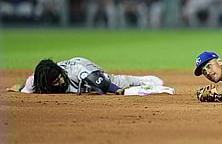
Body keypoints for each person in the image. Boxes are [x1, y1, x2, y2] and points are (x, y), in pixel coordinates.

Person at [7, 57, 165, 95]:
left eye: (60, 77)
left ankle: (143, 80)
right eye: (55, 81)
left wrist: (118, 90)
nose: (60, 81)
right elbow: (24, 90)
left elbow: (102, 83)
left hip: (84, 66)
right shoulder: (35, 82)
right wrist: (19, 88)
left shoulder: (77, 70)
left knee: (117, 81)